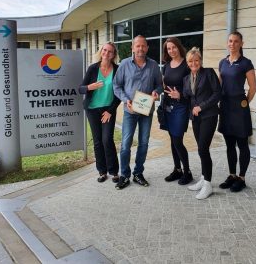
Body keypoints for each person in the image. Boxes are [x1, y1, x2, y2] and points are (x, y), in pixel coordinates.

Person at [113, 35, 163, 190]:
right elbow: (116, 85)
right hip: (130, 110)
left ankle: (138, 173)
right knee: (126, 144)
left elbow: (159, 85)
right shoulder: (124, 65)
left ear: (147, 48)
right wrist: (125, 99)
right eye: (137, 46)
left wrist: (156, 92)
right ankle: (124, 175)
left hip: (146, 111)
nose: (140, 48)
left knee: (143, 143)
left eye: (143, 46)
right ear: (132, 48)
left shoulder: (153, 65)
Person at [218, 31, 256, 192]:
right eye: (230, 41)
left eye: (235, 41)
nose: (232, 44)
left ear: (241, 43)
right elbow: (219, 84)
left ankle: (241, 178)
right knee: (229, 145)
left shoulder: (246, 63)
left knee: (242, 144)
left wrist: (244, 102)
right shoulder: (223, 63)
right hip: (225, 107)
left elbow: (253, 88)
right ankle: (232, 175)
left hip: (239, 109)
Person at [79, 42, 120, 183]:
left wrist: (110, 111)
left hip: (108, 110)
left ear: (114, 54)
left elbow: (119, 94)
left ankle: (114, 171)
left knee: (107, 139)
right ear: (101, 51)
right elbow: (81, 89)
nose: (106, 53)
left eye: (110, 51)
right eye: (105, 50)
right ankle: (102, 172)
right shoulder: (93, 68)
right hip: (92, 109)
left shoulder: (117, 69)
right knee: (97, 142)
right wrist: (90, 87)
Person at [183, 47, 220, 199]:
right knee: (200, 149)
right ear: (187, 63)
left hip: (209, 115)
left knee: (203, 148)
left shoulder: (209, 73)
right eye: (191, 61)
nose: (194, 63)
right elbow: (188, 97)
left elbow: (218, 93)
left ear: (201, 60)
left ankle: (208, 185)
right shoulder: (186, 79)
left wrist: (201, 106)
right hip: (196, 118)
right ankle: (204, 178)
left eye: (196, 60)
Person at [161, 37, 193, 185]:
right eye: (168, 48)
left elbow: (193, 89)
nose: (171, 50)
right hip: (168, 106)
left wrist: (180, 94)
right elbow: (163, 84)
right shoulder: (166, 65)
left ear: (179, 47)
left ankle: (187, 172)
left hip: (181, 106)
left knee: (177, 139)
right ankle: (177, 169)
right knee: (172, 140)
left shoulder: (187, 65)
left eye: (173, 47)